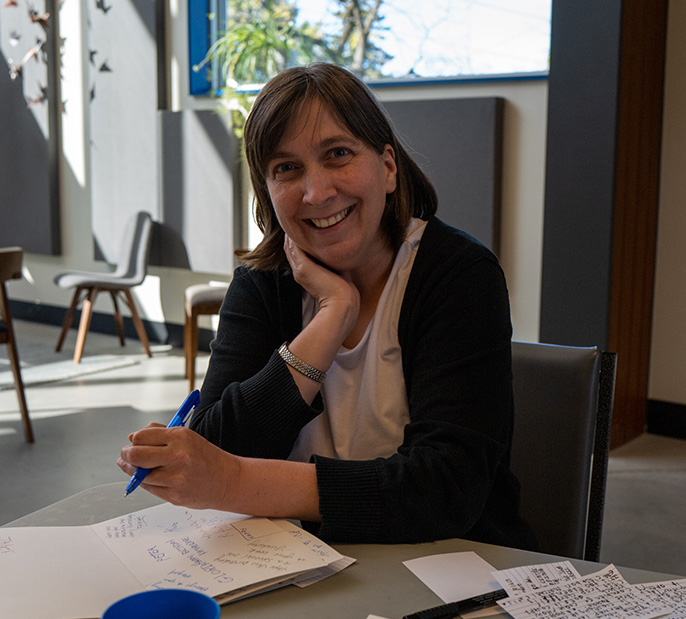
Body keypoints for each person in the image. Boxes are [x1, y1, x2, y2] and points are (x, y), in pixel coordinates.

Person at [117, 62, 535, 548]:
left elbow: (445, 490)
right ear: (268, 193)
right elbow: (217, 448)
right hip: (296, 564)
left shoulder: (458, 274)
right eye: (287, 168)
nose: (317, 192)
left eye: (338, 154)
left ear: (388, 167)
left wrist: (235, 482)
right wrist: (332, 314)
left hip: (447, 568)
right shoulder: (260, 285)